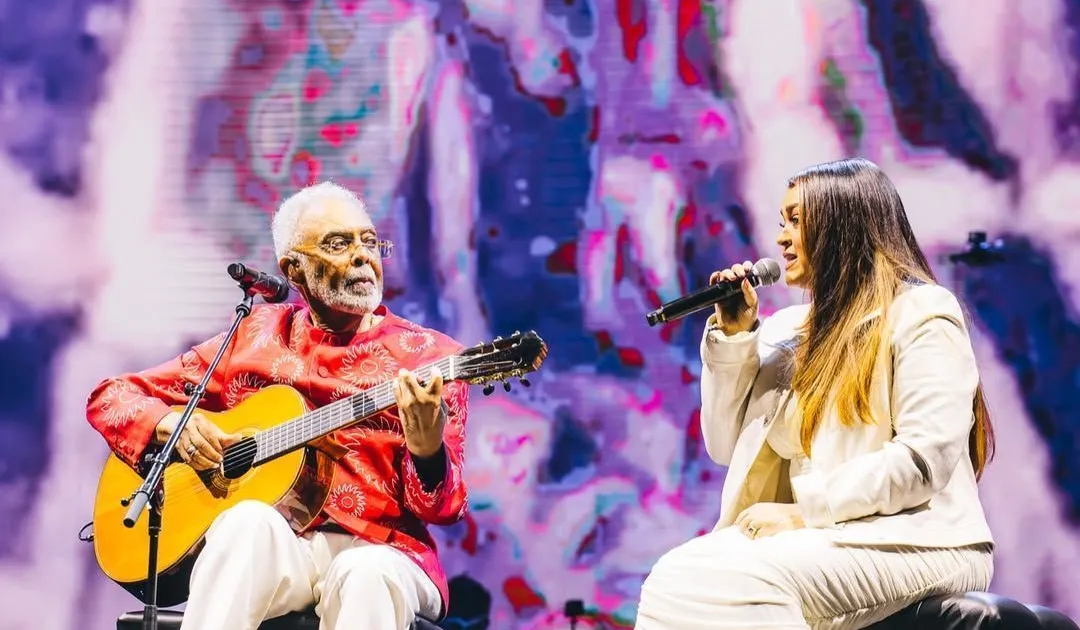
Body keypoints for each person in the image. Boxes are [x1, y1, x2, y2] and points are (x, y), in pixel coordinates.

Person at [85, 181, 470, 630]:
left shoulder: (430, 358)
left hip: (386, 549)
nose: (362, 256)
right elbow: (110, 397)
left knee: (365, 574)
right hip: (288, 546)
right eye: (339, 244)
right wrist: (170, 424)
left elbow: (442, 508)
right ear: (294, 270)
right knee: (243, 524)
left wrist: (427, 451)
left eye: (369, 242)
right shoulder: (254, 335)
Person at [635, 157, 996, 629]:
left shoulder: (923, 312)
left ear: (843, 225)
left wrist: (805, 512)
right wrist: (735, 341)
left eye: (797, 221)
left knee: (742, 581)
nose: (781, 238)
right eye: (781, 222)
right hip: (818, 535)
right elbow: (724, 446)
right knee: (672, 577)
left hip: (916, 539)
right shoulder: (785, 330)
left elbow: (922, 459)